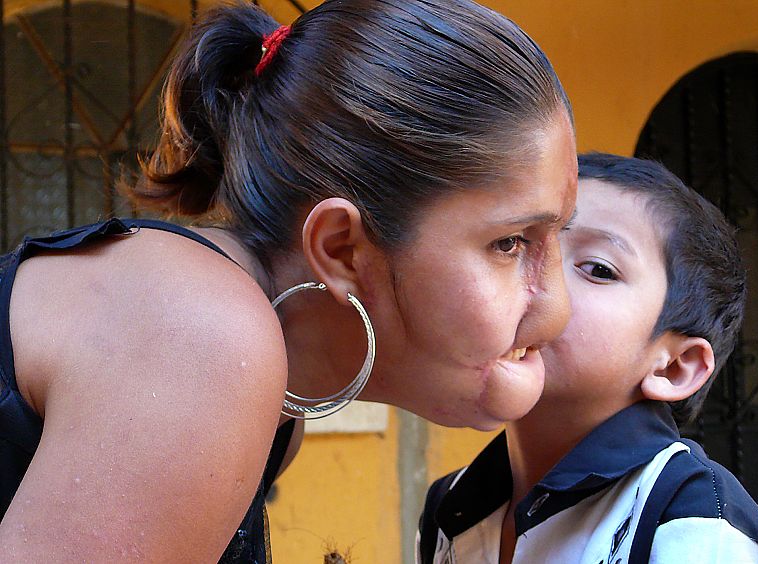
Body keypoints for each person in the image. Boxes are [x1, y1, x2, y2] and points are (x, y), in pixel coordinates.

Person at [0, 0, 577, 561]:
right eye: (510, 243)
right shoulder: (200, 342)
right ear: (341, 249)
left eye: (561, 239)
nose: (556, 312)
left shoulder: (279, 412)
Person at [417, 153, 758, 563]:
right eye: (516, 244)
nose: (539, 276)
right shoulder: (450, 506)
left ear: (674, 366)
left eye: (598, 269)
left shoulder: (694, 519)